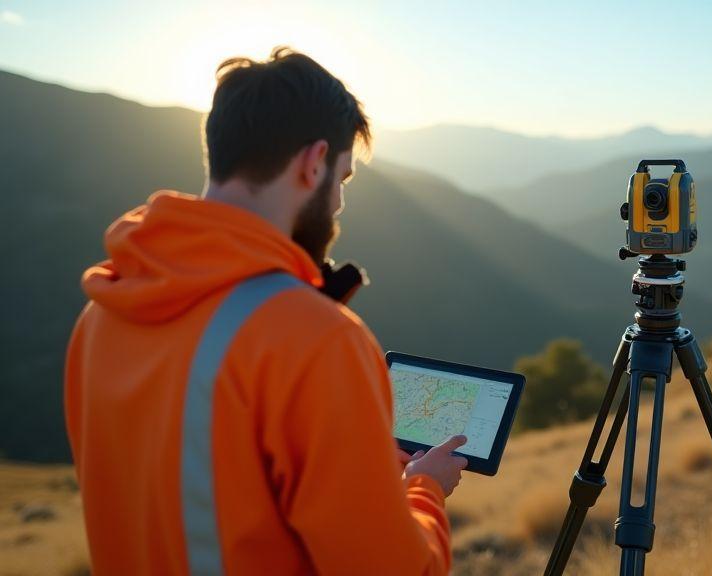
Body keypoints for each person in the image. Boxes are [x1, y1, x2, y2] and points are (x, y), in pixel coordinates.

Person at [64, 47, 468, 575]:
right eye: (342, 179)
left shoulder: (101, 316)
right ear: (314, 161)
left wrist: (357, 473)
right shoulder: (315, 337)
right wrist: (424, 488)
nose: (338, 203)